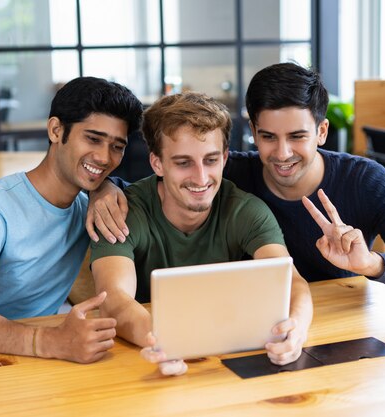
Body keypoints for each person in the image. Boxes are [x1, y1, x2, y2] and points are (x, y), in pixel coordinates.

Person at [90, 63, 385, 295]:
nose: (281, 154)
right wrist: (101, 189)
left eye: (297, 136)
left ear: (322, 131)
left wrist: (372, 264)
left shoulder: (365, 180)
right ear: (253, 131)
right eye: (268, 137)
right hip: (261, 325)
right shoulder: (231, 171)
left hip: (339, 321)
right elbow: (158, 183)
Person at [0, 76, 144, 364]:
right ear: (55, 130)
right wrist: (52, 342)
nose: (103, 156)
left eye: (117, 146)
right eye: (93, 138)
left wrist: (106, 186)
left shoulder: (89, 208)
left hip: (15, 357)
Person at [89, 91, 313, 376]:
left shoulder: (246, 210)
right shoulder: (120, 213)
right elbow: (114, 300)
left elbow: (292, 283)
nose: (201, 178)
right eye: (183, 163)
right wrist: (162, 341)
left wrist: (297, 329)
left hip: (225, 360)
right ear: (157, 163)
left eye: (211, 160)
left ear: (225, 158)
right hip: (142, 362)